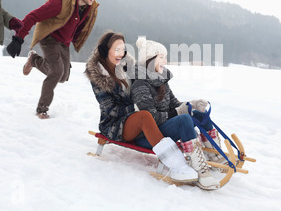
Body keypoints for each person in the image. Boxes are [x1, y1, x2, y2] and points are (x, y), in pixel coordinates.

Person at [85, 31, 198, 184]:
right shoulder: (99, 75)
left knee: (156, 114)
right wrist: (135, 108)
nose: (121, 53)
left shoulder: (128, 67)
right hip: (115, 124)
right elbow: (109, 109)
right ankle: (177, 166)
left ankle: (199, 155)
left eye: (123, 49)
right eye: (116, 49)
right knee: (145, 115)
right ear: (106, 51)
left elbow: (149, 80)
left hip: (134, 118)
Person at [130, 37, 222, 190]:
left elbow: (175, 104)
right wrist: (179, 112)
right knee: (184, 119)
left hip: (163, 130)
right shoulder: (140, 83)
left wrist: (191, 105)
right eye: (161, 57)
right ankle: (200, 170)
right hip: (149, 137)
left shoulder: (161, 81)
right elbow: (151, 118)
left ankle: (215, 155)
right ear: (150, 59)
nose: (165, 61)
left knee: (199, 115)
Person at [6, 0, 101, 119]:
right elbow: (33, 16)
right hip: (49, 36)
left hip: (64, 41)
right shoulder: (61, 2)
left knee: (62, 77)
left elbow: (81, 25)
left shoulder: (89, 6)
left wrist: (72, 39)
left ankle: (34, 60)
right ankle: (42, 109)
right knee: (56, 72)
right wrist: (18, 38)